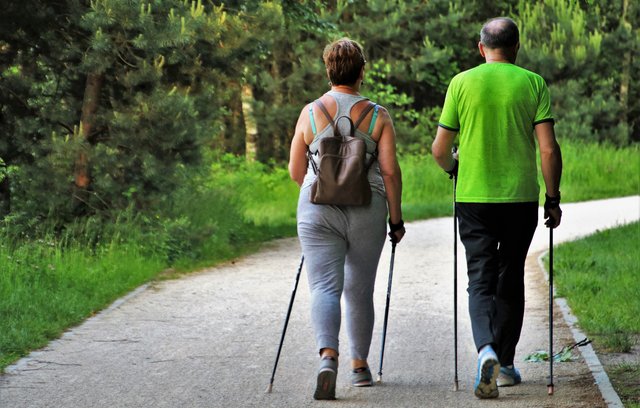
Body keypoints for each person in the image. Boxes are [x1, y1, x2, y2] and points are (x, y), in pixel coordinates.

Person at [432, 17, 563, 399]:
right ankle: (504, 365)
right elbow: (548, 149)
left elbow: (440, 149)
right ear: (516, 47)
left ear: (480, 48)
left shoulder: (461, 83)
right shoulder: (533, 83)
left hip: (473, 198)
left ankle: (485, 349)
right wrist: (552, 199)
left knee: (480, 278)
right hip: (520, 198)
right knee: (510, 277)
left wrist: (454, 168)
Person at [288, 37, 405, 400]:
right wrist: (396, 220)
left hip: (317, 208)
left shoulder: (309, 113)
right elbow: (390, 173)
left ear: (328, 70)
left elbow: (294, 170)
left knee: (324, 286)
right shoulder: (378, 115)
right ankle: (359, 367)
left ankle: (327, 357)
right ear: (362, 71)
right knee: (358, 289)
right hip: (367, 208)